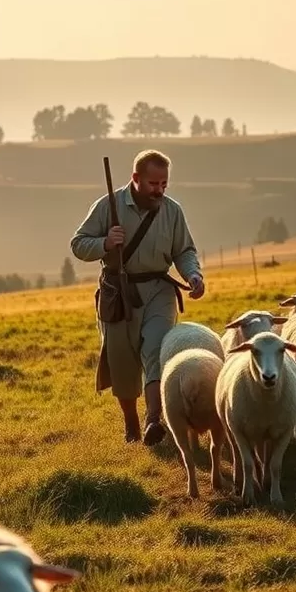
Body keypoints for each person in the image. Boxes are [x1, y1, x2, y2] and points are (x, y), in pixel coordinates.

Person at [70, 149, 205, 446]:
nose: (159, 190)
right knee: (123, 361)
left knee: (156, 349)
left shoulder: (172, 211)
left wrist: (193, 275)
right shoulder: (107, 206)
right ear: (135, 178)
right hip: (118, 293)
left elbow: (184, 250)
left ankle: (153, 420)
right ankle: (130, 422)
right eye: (153, 184)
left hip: (159, 290)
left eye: (164, 184)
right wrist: (106, 242)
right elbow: (78, 244)